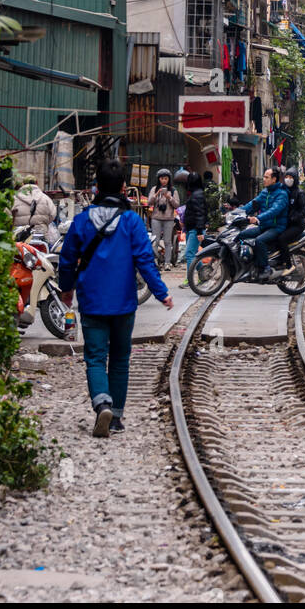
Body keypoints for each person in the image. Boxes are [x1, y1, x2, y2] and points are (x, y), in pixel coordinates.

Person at [59, 159, 172, 437]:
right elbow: (145, 261)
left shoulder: (82, 220)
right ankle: (117, 417)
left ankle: (102, 404)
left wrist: (66, 288)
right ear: (124, 187)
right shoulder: (132, 221)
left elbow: (66, 259)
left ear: (96, 186)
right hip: (123, 302)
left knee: (95, 357)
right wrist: (162, 293)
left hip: (92, 301)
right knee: (120, 358)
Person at [240, 166, 292, 278]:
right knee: (241, 235)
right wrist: (235, 213)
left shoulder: (281, 194)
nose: (263, 179)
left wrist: (258, 218)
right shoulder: (265, 192)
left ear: (274, 179)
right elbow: (252, 204)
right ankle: (249, 262)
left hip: (276, 227)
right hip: (264, 226)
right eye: (264, 177)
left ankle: (265, 268)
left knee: (260, 241)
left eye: (266, 177)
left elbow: (274, 211)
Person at [12, 176, 57, 246]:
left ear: (23, 184)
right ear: (36, 183)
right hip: (40, 237)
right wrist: (43, 223)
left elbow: (8, 216)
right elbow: (52, 215)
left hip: (18, 238)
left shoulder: (14, 198)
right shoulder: (45, 198)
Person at [147, 168, 178, 267]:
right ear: (158, 179)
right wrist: (157, 194)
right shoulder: (154, 189)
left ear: (169, 179)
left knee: (167, 241)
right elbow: (149, 203)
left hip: (169, 219)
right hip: (156, 218)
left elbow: (177, 205)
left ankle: (167, 263)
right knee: (155, 241)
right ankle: (155, 262)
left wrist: (169, 197)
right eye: (162, 178)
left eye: (166, 178)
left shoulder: (173, 190)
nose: (164, 181)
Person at [180, 172, 207, 286]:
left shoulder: (197, 195)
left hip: (195, 229)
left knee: (189, 254)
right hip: (192, 228)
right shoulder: (196, 193)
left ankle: (189, 280)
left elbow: (200, 214)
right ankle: (204, 273)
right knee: (193, 253)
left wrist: (200, 231)